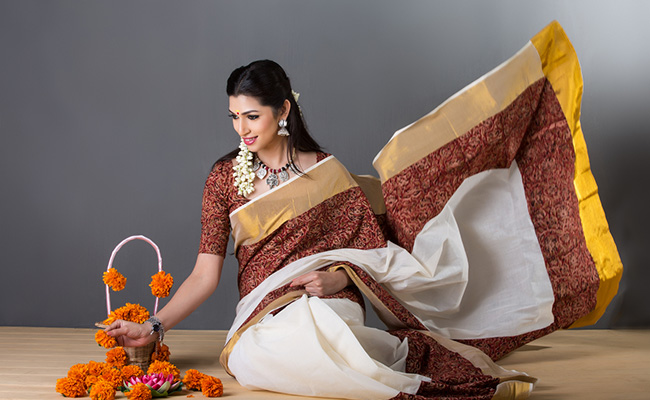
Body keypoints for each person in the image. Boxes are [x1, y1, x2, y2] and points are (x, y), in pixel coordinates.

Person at [106, 22, 621, 400]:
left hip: (330, 300)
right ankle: (408, 388)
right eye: (233, 117)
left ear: (283, 111)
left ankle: (405, 380)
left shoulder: (326, 171)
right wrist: (155, 327)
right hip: (264, 311)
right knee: (256, 357)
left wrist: (336, 277)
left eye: (252, 116)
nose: (241, 129)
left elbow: (372, 254)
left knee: (328, 335)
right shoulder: (223, 178)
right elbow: (205, 274)